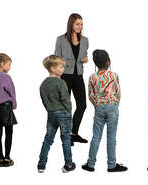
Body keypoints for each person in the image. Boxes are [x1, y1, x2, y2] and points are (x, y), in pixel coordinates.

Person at [81, 49, 128, 172]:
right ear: (108, 62)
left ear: (95, 64)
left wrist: (97, 104)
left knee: (96, 136)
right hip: (112, 107)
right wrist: (115, 103)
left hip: (99, 108)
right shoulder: (114, 75)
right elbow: (118, 92)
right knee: (111, 138)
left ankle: (90, 164)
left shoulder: (92, 77)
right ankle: (111, 165)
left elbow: (90, 95)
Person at [55, 13, 89, 145]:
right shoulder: (60, 39)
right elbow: (56, 59)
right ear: (71, 24)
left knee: (82, 105)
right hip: (65, 76)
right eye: (77, 24)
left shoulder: (85, 40)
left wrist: (85, 59)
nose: (80, 26)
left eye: (81, 24)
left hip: (78, 75)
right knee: (65, 107)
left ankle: (74, 133)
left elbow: (84, 56)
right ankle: (65, 135)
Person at [37, 55, 75, 173]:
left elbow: (44, 100)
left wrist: (50, 109)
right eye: (61, 67)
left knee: (48, 139)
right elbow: (66, 99)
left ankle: (41, 165)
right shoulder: (61, 83)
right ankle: (68, 164)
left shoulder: (43, 84)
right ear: (53, 68)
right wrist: (69, 112)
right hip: (63, 114)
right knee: (66, 139)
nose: (63, 69)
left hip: (51, 114)